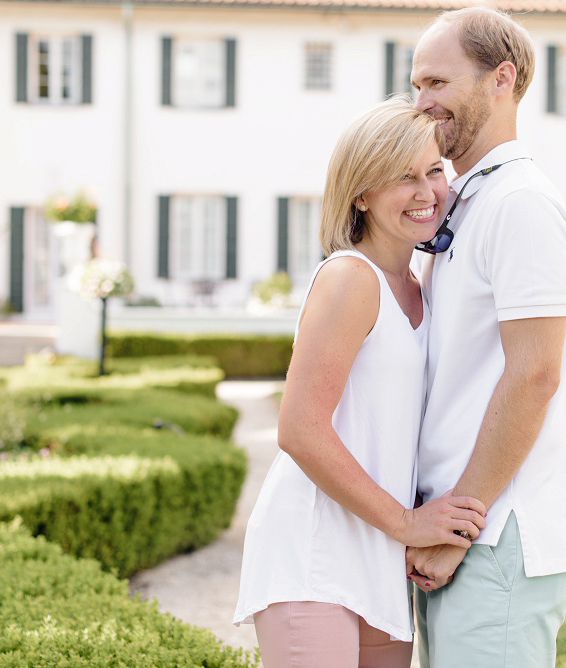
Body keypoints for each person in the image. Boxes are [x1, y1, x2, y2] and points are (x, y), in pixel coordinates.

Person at [233, 98, 486, 667]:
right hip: (314, 552)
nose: (426, 192)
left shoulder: (422, 288)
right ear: (360, 193)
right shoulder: (350, 278)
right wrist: (407, 523)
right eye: (402, 177)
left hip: (381, 552)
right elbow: (299, 429)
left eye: (434, 171)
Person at [406, 7, 566, 667]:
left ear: (501, 79)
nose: (421, 104)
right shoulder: (470, 201)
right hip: (457, 530)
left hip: (494, 535)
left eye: (437, 83)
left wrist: (459, 525)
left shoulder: (521, 204)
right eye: (416, 86)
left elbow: (535, 373)